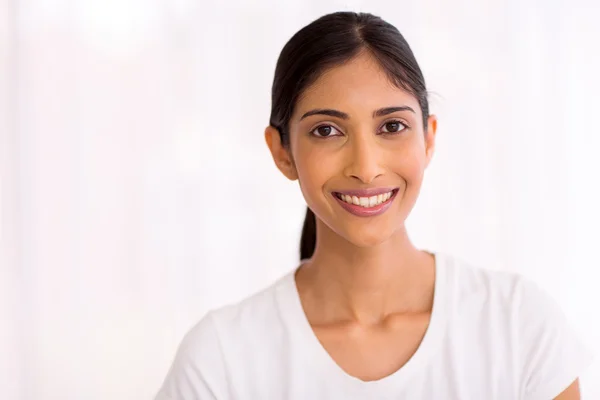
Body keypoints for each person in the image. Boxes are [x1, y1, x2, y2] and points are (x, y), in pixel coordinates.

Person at [155, 11, 593, 399]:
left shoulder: (517, 325)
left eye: (392, 126)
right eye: (327, 130)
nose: (366, 168)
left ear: (429, 138)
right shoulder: (220, 360)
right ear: (282, 152)